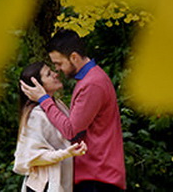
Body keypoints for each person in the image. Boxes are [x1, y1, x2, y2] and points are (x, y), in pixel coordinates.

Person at [20, 29, 127, 192]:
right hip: (94, 176)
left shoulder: (92, 84)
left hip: (98, 176)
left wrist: (44, 99)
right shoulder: (87, 81)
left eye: (59, 64)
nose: (58, 70)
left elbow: (70, 130)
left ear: (74, 57)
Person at [14, 60, 88, 192]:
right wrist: (65, 153)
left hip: (62, 182)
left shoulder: (57, 105)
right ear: (37, 85)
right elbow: (32, 157)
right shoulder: (35, 115)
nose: (55, 74)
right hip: (44, 186)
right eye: (48, 74)